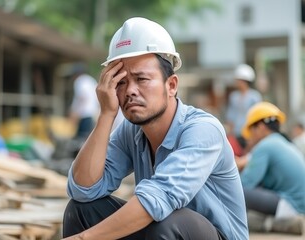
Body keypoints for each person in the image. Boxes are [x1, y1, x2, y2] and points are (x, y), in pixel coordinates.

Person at [62, 17, 248, 240]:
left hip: (205, 234)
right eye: (120, 82)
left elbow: (158, 198)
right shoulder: (132, 132)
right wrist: (106, 115)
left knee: (166, 220)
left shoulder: (203, 130)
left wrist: (85, 239)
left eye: (141, 79)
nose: (130, 90)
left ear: (171, 86)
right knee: (81, 210)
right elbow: (83, 190)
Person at [237, 102, 305, 235]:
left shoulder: (265, 146)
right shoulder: (281, 142)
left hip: (291, 205)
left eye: (252, 130)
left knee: (236, 190)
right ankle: (272, 223)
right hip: (299, 204)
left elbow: (245, 183)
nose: (250, 135)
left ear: (261, 127)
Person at [225, 63, 262, 154]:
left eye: (239, 80)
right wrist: (230, 134)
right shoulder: (234, 97)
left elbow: (258, 117)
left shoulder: (254, 97)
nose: (237, 83)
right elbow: (231, 116)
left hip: (250, 134)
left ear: (245, 81)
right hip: (237, 134)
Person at [67, 63, 99, 139]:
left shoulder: (80, 81)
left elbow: (82, 98)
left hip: (84, 115)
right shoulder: (90, 80)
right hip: (92, 114)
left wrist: (75, 114)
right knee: (87, 138)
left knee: (80, 140)